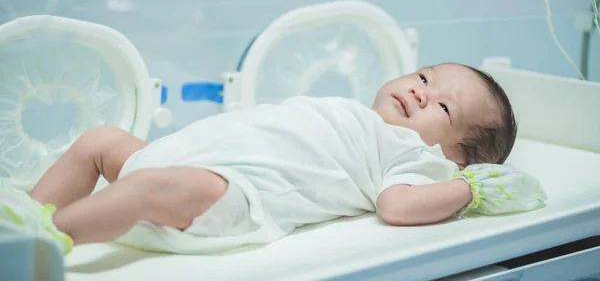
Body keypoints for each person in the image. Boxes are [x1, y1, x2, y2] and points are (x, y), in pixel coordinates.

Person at [0, 63, 546, 255]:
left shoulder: (412, 156)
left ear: (453, 157)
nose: (422, 91)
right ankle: (23, 212)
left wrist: (473, 189)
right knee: (102, 138)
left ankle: (40, 240)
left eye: (443, 106)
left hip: (236, 195)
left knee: (148, 190)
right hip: (187, 158)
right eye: (425, 77)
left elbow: (398, 209)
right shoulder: (352, 113)